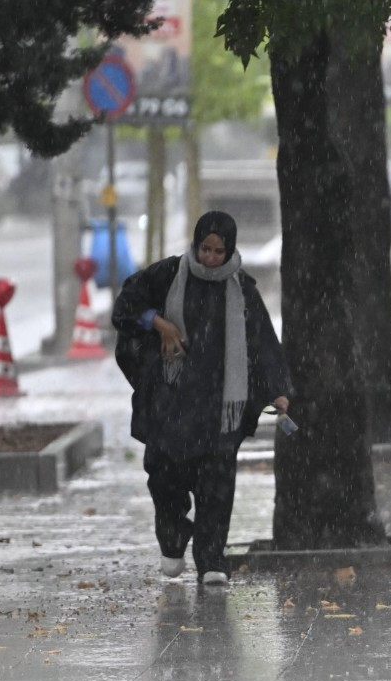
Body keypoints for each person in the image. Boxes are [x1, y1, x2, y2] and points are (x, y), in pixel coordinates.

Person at [112, 210, 292, 586]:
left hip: (218, 406)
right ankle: (174, 536)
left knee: (217, 483)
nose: (210, 257)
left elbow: (262, 342)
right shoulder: (167, 275)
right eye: (205, 248)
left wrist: (278, 389)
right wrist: (159, 324)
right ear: (195, 244)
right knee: (164, 478)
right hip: (171, 403)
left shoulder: (241, 289)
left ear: (229, 250)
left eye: (218, 250)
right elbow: (125, 307)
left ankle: (211, 558)